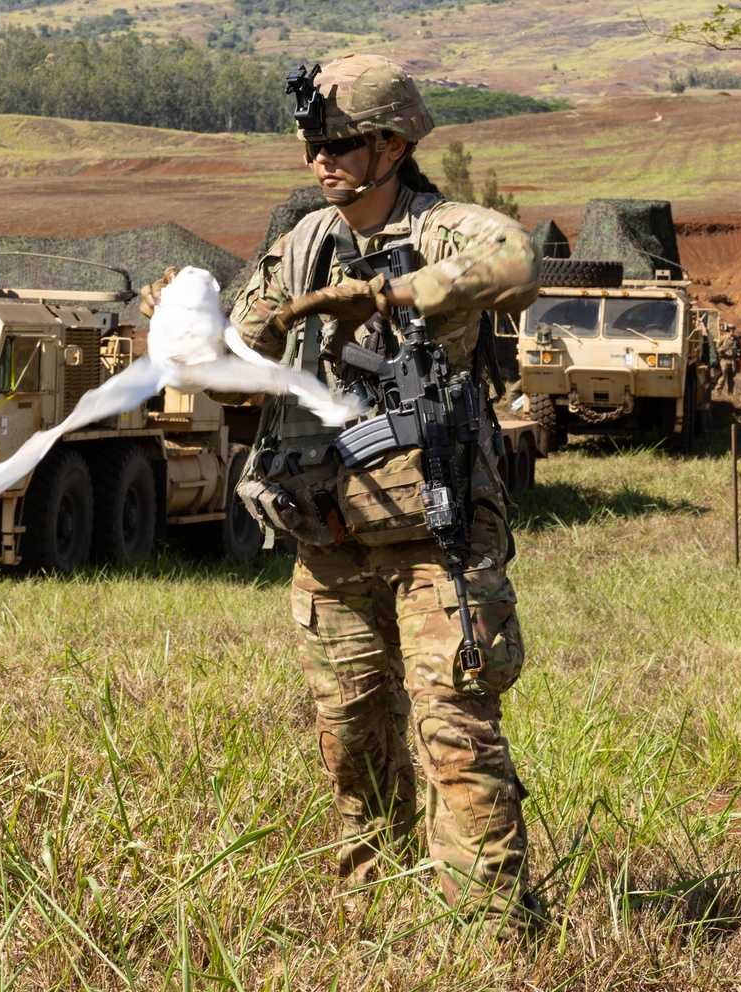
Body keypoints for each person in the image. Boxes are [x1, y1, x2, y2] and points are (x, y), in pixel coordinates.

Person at [145, 54, 542, 940]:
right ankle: (376, 913)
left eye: (342, 142)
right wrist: (181, 326)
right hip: (329, 538)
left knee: (454, 735)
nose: (322, 160)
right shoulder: (298, 245)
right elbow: (238, 375)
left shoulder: (441, 227)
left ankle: (485, 935)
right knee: (350, 736)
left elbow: (517, 260)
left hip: (437, 538)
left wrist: (394, 292)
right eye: (312, 144)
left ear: (394, 144)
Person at [719, 323, 739, 396]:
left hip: (732, 360)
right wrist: (721, 350)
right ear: (728, 330)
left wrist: (738, 355)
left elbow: (740, 349)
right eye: (730, 329)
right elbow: (717, 347)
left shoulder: (736, 340)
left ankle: (730, 394)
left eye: (733, 329)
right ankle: (718, 393)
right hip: (724, 360)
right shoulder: (723, 338)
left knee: (731, 378)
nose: (732, 331)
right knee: (722, 377)